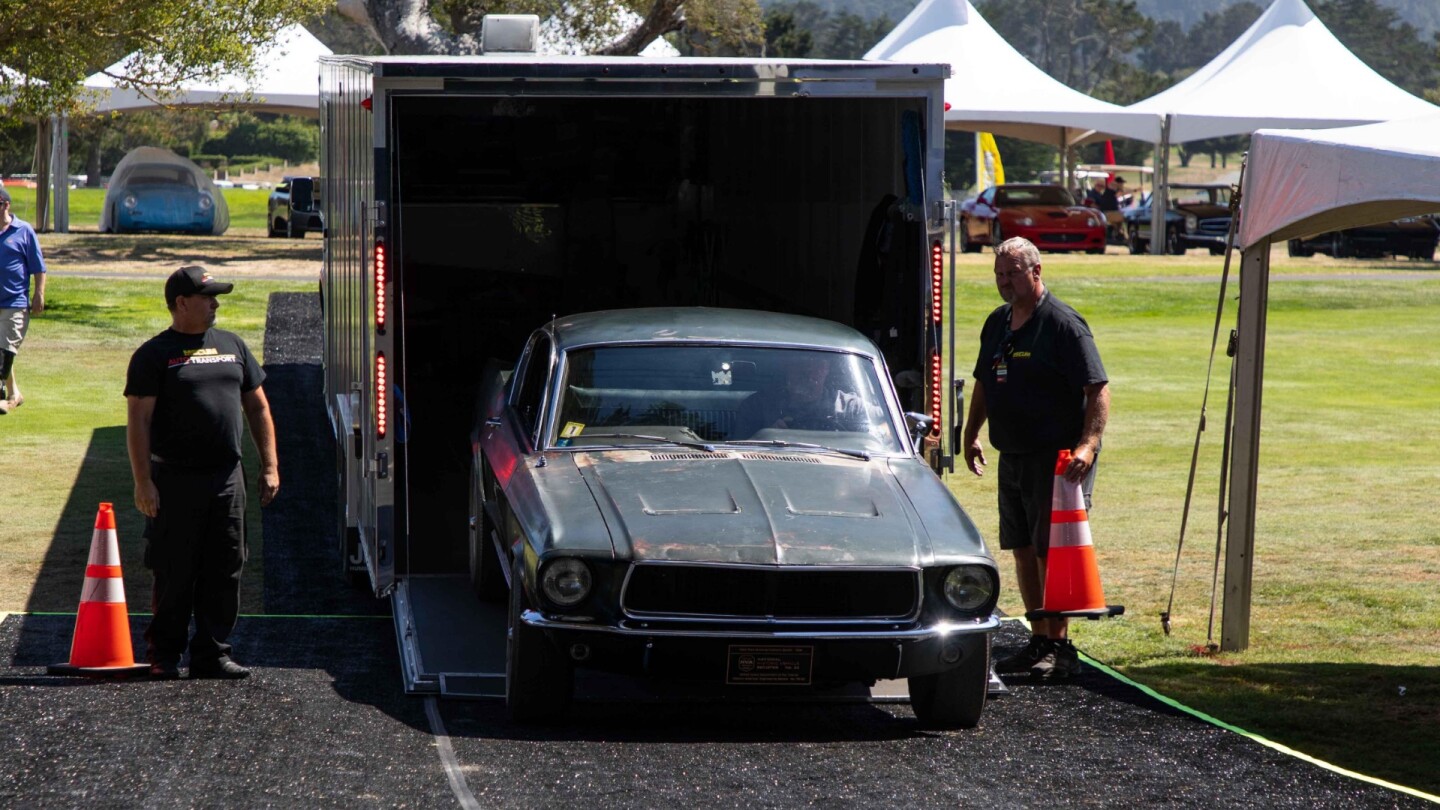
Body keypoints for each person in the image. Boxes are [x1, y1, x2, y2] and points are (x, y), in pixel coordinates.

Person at [962, 237, 1109, 680]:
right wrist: (971, 435)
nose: (1004, 282)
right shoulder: (998, 323)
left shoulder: (1063, 324)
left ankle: (1060, 645)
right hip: (1014, 454)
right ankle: (1038, 637)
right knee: (1022, 548)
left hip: (1057, 458)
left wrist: (1089, 444)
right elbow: (985, 382)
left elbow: (1097, 388)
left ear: (1036, 271)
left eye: (1012, 274)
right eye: (998, 275)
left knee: (1052, 551)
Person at [124, 266, 279, 680]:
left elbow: (258, 407)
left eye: (216, 297)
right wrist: (143, 482)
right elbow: (138, 422)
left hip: (228, 478)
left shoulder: (233, 345)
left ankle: (213, 653)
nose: (215, 304)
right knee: (175, 570)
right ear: (181, 303)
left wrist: (270, 466)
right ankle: (165, 656)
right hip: (174, 480)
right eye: (208, 297)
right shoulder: (153, 355)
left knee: (226, 567)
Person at [734, 352, 873, 438]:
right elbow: (735, 453)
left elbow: (882, 435)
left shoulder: (851, 407)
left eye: (817, 362)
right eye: (800, 362)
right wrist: (767, 437)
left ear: (827, 369)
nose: (808, 370)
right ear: (787, 368)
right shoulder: (757, 407)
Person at [0, 187, 47, 415]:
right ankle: (13, 394)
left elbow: (38, 267)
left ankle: (4, 393)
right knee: (2, 349)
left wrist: (39, 293)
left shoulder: (24, 231)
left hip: (15, 303)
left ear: (6, 205)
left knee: (4, 351)